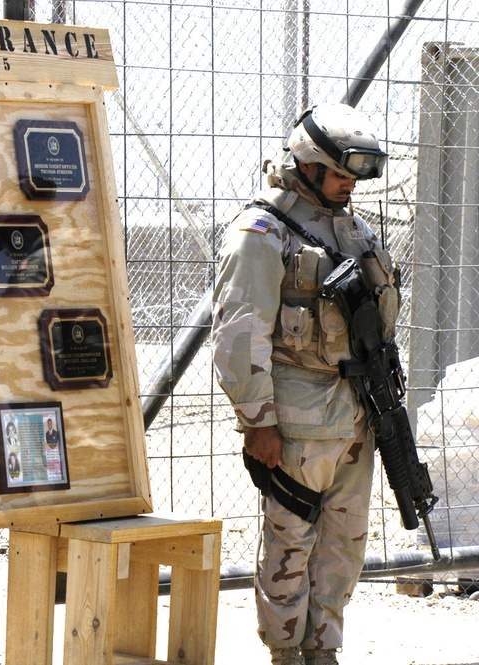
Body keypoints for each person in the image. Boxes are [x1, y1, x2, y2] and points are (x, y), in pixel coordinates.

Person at [211, 103, 397, 665]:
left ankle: (323, 650)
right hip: (295, 421)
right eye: (340, 173)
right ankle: (286, 653)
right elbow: (239, 333)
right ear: (308, 164)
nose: (350, 185)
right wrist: (258, 421)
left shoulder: (354, 231)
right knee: (291, 542)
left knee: (343, 545)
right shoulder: (262, 232)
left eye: (356, 175)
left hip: (356, 414)